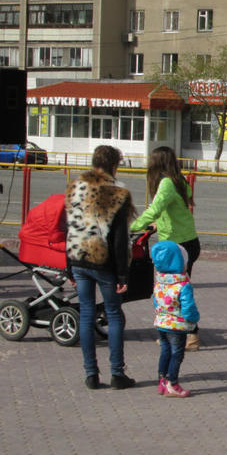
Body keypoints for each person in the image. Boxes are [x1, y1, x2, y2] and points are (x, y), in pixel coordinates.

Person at [65, 145, 136, 390]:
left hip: (78, 258)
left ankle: (91, 374)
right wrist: (122, 272)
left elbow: (71, 227)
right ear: (114, 165)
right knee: (114, 315)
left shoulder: (75, 188)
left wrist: (68, 266)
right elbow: (118, 238)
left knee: (86, 314)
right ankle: (117, 373)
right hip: (104, 261)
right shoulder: (117, 192)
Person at [131, 146, 202, 350]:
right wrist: (157, 225)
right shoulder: (179, 181)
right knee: (177, 290)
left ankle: (189, 335)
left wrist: (132, 226)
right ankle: (176, 333)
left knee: (175, 292)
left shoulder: (166, 184)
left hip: (178, 244)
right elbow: (172, 212)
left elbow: (156, 208)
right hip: (187, 241)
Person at [151, 240, 199, 398]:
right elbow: (188, 307)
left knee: (165, 351)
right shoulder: (183, 285)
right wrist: (194, 319)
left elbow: (156, 302)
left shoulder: (159, 282)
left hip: (161, 323)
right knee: (177, 354)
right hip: (177, 326)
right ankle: (173, 383)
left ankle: (162, 381)